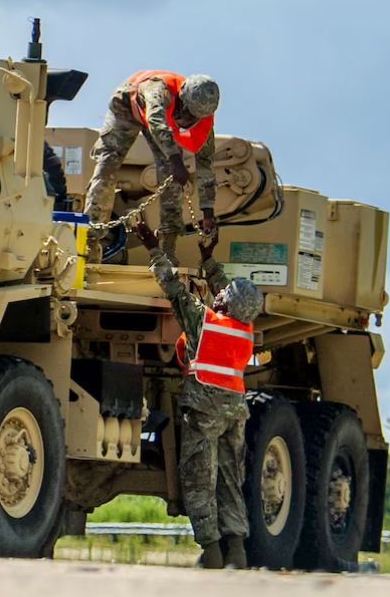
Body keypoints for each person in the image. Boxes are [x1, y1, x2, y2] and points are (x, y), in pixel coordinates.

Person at [134, 221, 262, 569]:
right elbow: (228, 294)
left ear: (227, 305)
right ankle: (236, 551)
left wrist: (153, 247)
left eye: (223, 295)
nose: (218, 294)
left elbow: (174, 288)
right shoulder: (245, 329)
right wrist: (208, 259)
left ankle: (212, 552)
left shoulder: (204, 322)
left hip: (204, 410)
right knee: (230, 479)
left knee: (199, 479)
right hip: (234, 412)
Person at [84, 71, 220, 264]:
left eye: (194, 118)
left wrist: (208, 212)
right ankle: (90, 240)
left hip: (161, 120)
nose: (189, 121)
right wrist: (175, 159)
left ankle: (169, 248)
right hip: (129, 105)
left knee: (171, 176)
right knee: (107, 166)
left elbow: (205, 162)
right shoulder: (158, 89)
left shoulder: (203, 113)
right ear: (181, 99)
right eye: (188, 114)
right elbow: (156, 121)